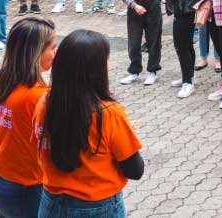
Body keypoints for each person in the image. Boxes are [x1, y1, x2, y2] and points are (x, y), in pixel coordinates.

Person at [33, 29, 144, 217]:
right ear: (94, 70)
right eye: (105, 61)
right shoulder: (108, 114)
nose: (108, 67)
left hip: (51, 202)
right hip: (96, 207)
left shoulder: (45, 102)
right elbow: (135, 170)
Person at [0, 17, 56, 217]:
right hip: (26, 188)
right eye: (52, 47)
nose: (55, 53)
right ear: (36, 52)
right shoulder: (39, 97)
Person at [164, 0, 203, 98]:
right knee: (188, 46)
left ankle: (188, 81)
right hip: (192, 10)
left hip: (183, 11)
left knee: (181, 47)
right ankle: (189, 77)